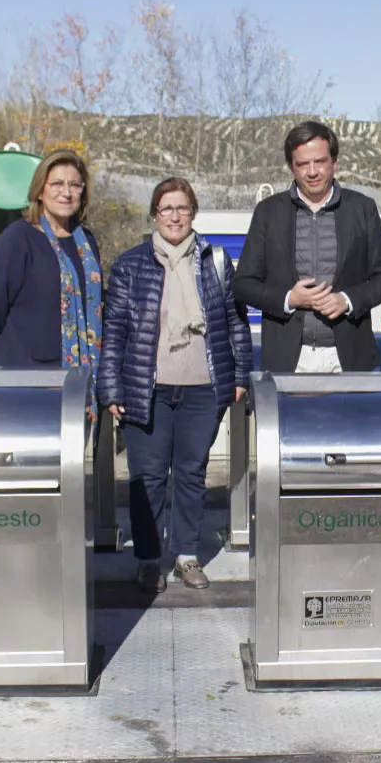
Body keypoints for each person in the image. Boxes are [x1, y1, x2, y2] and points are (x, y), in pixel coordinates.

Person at [97, 178, 253, 593]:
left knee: (190, 474)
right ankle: (149, 559)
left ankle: (186, 556)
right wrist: (110, 388)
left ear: (193, 212)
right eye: (166, 208)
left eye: (182, 208)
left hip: (202, 388)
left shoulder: (215, 261)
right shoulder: (131, 264)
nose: (175, 216)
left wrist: (239, 376)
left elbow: (236, 323)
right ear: (154, 214)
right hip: (146, 387)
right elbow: (113, 331)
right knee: (146, 476)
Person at [233, 120, 381, 373]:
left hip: (350, 360)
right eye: (303, 164)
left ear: (334, 163)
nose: (312, 172)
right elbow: (243, 284)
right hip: (288, 361)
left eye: (320, 161)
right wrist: (290, 298)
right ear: (292, 167)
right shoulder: (268, 212)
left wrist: (347, 300)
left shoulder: (362, 209)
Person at [0, 149, 102, 370]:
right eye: (57, 184)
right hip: (31, 376)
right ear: (40, 191)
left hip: (83, 376)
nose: (66, 193)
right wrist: (13, 352)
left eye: (75, 185)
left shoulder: (86, 242)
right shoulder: (18, 239)